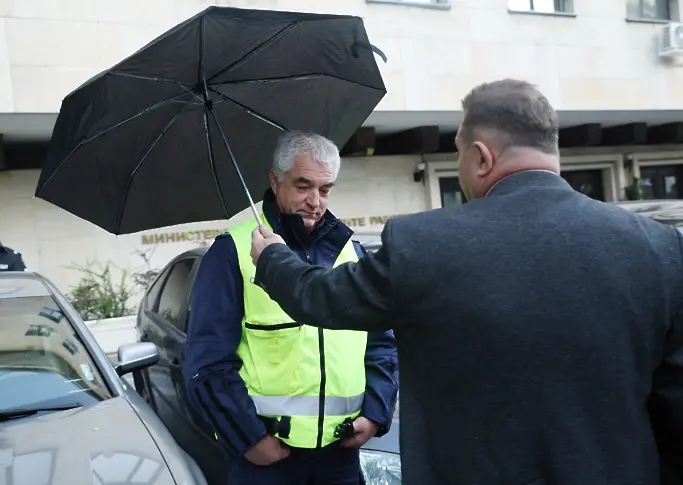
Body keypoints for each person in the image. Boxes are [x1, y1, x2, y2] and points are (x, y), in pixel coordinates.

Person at [251, 79, 683, 485]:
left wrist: (271, 257)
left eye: (457, 154)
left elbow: (321, 298)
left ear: (481, 156)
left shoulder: (423, 244)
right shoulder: (659, 248)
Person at [184, 132, 399, 485]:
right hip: (267, 460)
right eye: (303, 186)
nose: (315, 201)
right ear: (274, 180)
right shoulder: (232, 251)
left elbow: (381, 342)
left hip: (341, 455)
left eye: (326, 189)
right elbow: (207, 362)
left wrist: (375, 413)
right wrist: (250, 440)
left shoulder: (352, 250)